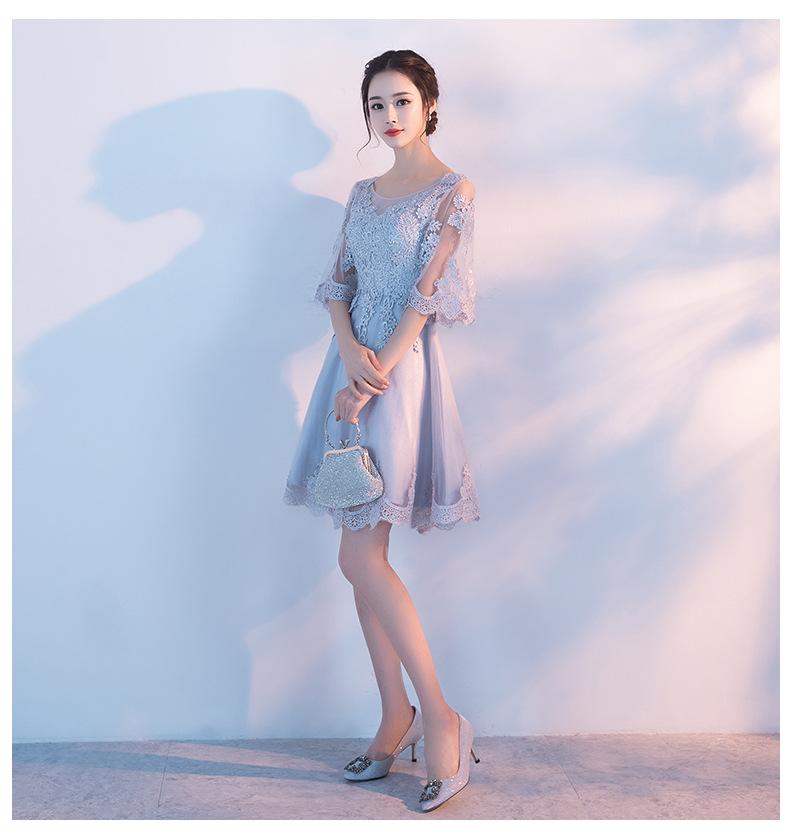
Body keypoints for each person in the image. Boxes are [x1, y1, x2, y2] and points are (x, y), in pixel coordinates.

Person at [284, 48, 480, 812]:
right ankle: (399, 713)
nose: (389, 116)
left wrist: (372, 376)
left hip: (401, 381)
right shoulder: (363, 194)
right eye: (376, 105)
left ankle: (439, 717)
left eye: (401, 101)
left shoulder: (452, 192)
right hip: (352, 371)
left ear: (429, 105)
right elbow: (338, 283)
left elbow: (427, 299)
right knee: (360, 557)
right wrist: (348, 355)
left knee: (359, 556)